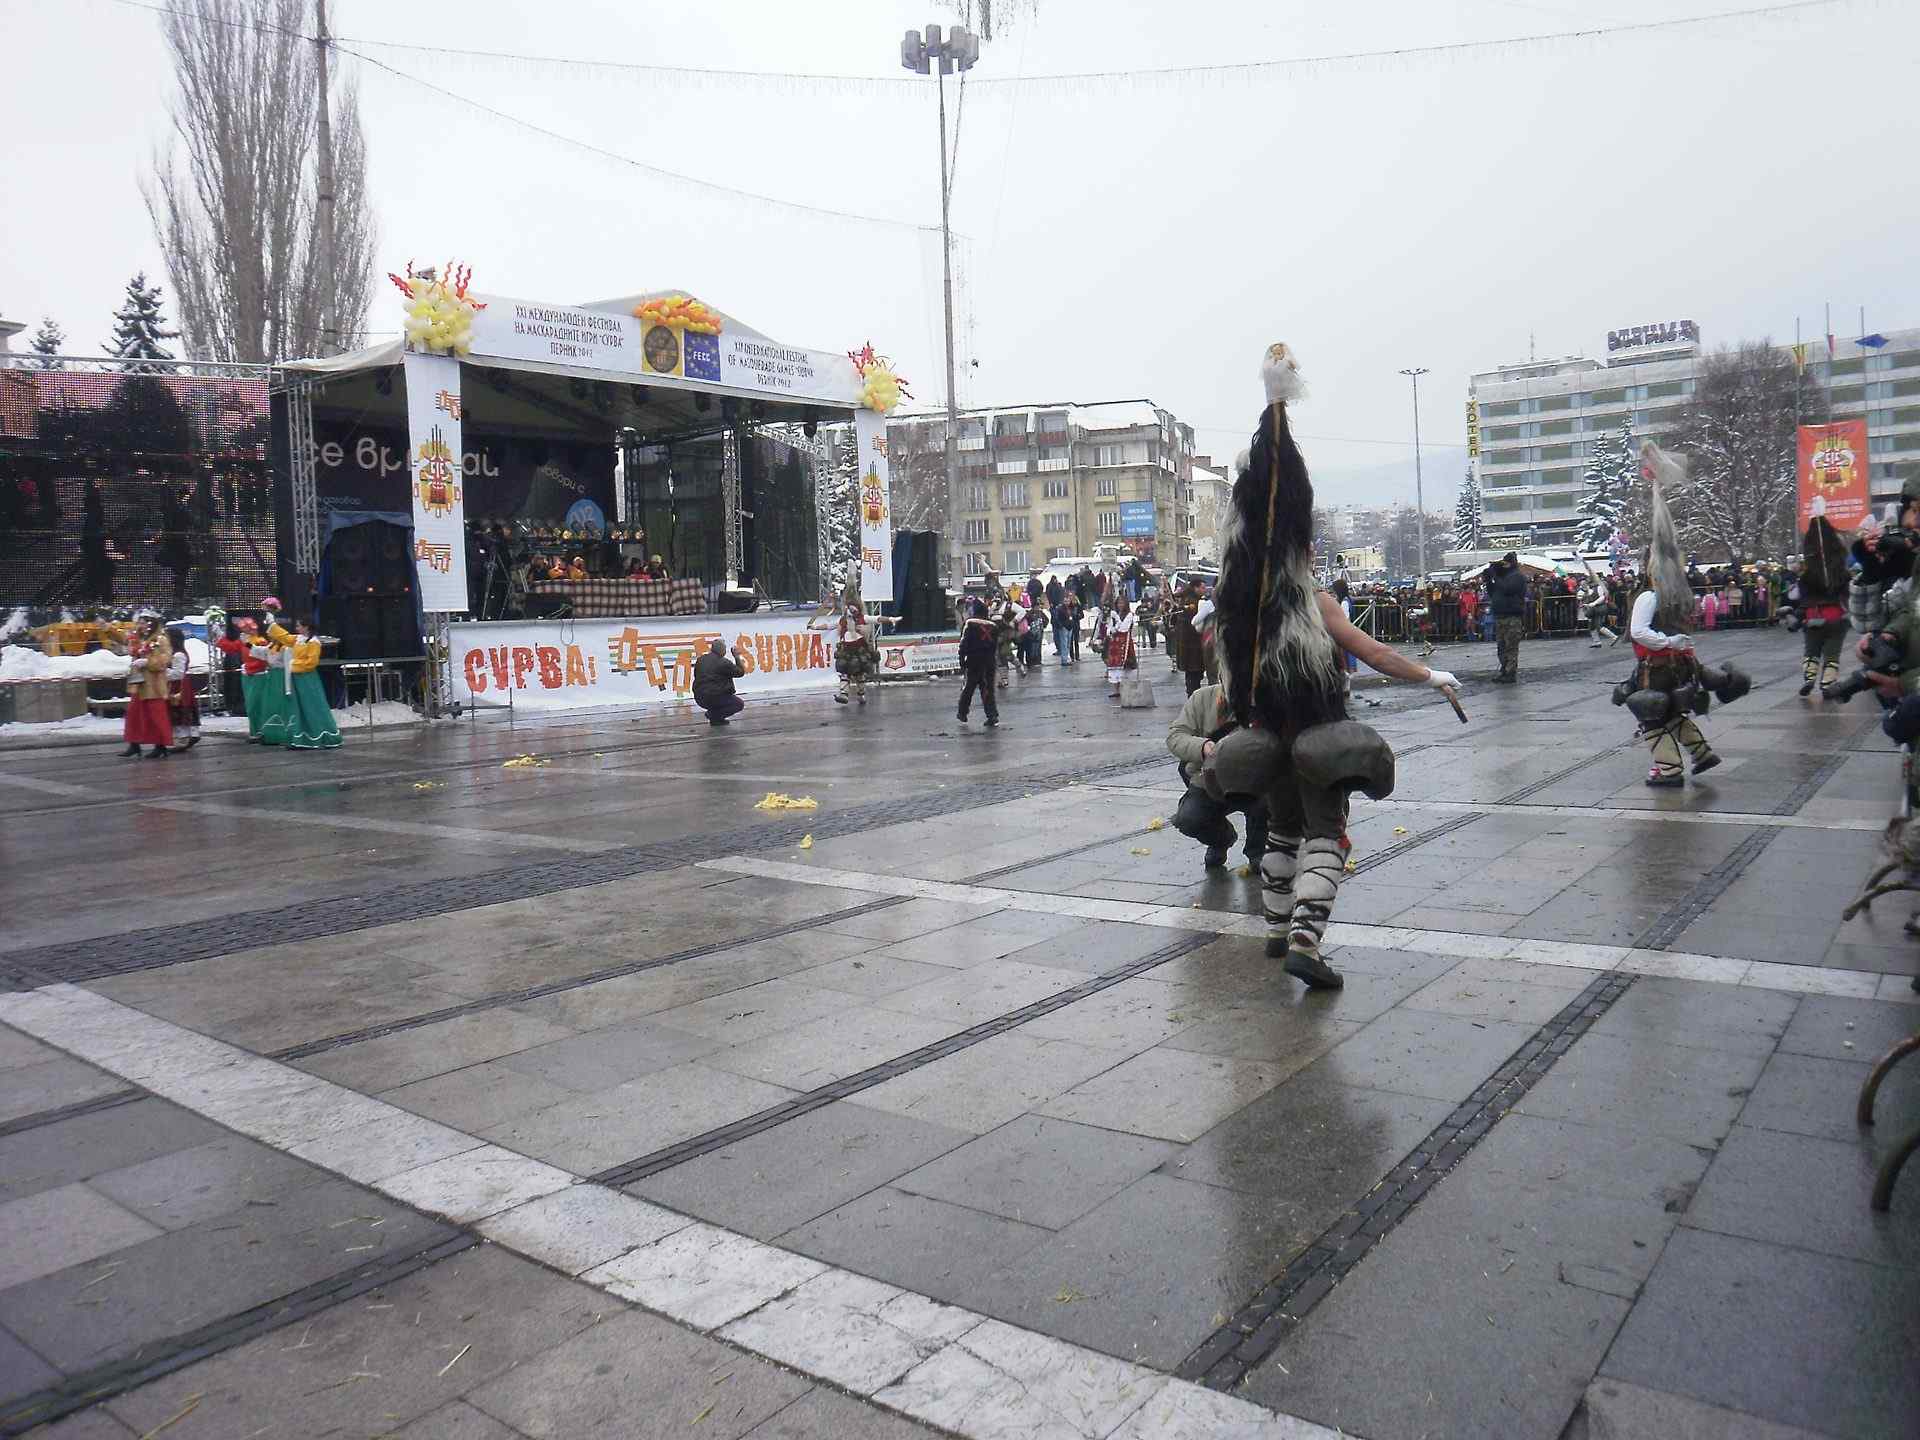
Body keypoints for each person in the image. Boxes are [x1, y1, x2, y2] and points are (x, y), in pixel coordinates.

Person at [1214, 344, 1460, 992]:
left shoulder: (1241, 612)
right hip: (1316, 734)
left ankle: (1275, 931)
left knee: (1281, 830)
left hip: (1264, 736)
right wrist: (1430, 676)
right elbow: (1373, 652)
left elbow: (1229, 684)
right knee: (1326, 834)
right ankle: (1305, 941)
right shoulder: (1313, 601)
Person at [1624, 444, 1733, 788]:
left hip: (1658, 666)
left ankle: (1669, 769)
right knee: (1673, 712)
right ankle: (1702, 753)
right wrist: (1677, 643)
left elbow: (1639, 632)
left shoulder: (1649, 595)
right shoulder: (1677, 594)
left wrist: (1668, 642)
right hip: (1679, 664)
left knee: (1653, 718)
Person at [1168, 682, 1268, 870]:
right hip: (1210, 778)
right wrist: (1202, 746)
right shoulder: (1202, 697)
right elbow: (1176, 735)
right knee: (1189, 819)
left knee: (1269, 802)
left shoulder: (1271, 697)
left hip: (1256, 779)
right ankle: (1222, 839)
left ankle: (1258, 851)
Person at [264, 615, 342, 750]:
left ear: (306, 627)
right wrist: (272, 624)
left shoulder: (313, 643)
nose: (296, 628)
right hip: (297, 679)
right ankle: (301, 738)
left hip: (308, 679)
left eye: (299, 626)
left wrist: (293, 664)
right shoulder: (298, 639)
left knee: (311, 706)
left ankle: (319, 736)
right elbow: (284, 637)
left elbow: (311, 663)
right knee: (298, 708)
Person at [1798, 516, 1851, 698]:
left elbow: (1802, 598)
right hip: (1836, 615)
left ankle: (1809, 677)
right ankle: (1827, 684)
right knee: (1832, 654)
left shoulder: (1807, 576)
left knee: (1811, 651)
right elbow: (1847, 593)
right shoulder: (1842, 572)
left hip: (1813, 615)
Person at [121, 611, 174, 759]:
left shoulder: (160, 639)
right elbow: (123, 640)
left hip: (154, 686)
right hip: (139, 684)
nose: (140, 626)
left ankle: (160, 745)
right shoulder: (138, 639)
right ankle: (134, 744)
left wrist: (148, 662)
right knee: (134, 715)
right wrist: (107, 629)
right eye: (139, 623)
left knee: (156, 716)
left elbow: (165, 659)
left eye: (144, 623)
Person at [956, 598, 1000, 727]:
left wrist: (962, 660)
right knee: (987, 689)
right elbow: (995, 646)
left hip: (974, 660)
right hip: (989, 661)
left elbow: (964, 642)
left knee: (968, 688)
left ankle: (962, 713)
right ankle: (992, 715)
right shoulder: (993, 626)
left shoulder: (970, 623)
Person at [833, 597, 883, 706]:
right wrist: (815, 627)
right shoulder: (842, 620)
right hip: (847, 651)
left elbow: (876, 619)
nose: (849, 610)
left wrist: (890, 619)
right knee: (845, 673)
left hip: (860, 651)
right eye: (848, 608)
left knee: (859, 674)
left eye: (852, 609)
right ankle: (844, 694)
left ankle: (861, 694)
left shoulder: (863, 619)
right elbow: (831, 626)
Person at [1487, 552, 1528, 683]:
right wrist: (1488, 580)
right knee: (1501, 646)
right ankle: (1504, 670)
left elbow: (1508, 589)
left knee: (1511, 646)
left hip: (1512, 616)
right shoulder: (1503, 577)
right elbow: (1493, 593)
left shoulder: (1517, 576)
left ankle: (1510, 672)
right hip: (1500, 615)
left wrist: (1495, 576)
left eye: (1505, 564)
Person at [1167, 577, 1208, 695]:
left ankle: (1192, 693)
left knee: (1192, 674)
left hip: (1187, 643)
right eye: (1202, 587)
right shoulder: (1192, 602)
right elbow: (1195, 623)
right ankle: (1193, 696)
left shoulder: (1186, 599)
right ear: (1195, 588)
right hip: (1192, 644)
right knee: (1193, 674)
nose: (1205, 590)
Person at [692, 638, 746, 725]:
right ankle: (713, 715)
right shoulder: (724, 662)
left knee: (717, 694)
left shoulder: (701, 660)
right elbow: (740, 672)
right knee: (738, 704)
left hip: (699, 697)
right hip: (714, 697)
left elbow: (696, 675)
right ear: (722, 650)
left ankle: (716, 720)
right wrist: (736, 656)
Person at [165, 626, 201, 750]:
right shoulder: (173, 653)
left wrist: (163, 671)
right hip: (178, 685)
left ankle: (183, 739)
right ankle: (190, 735)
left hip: (179, 686)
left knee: (179, 710)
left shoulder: (178, 655)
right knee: (180, 709)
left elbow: (178, 673)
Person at [1104, 595, 1137, 698]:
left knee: (1124, 666)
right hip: (1114, 644)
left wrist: (1117, 620)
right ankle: (1116, 690)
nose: (1120, 605)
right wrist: (1110, 629)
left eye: (1122, 603)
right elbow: (1109, 629)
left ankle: (1126, 689)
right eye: (1118, 603)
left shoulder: (1129, 615)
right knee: (1114, 667)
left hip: (1124, 642)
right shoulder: (1114, 614)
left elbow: (1123, 628)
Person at [1579, 571, 1616, 647]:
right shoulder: (1589, 588)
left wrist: (1594, 603)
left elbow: (1602, 597)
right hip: (1593, 609)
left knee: (1599, 625)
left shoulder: (1599, 587)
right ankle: (1597, 642)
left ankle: (1614, 637)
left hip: (1599, 608)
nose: (1588, 579)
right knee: (1592, 626)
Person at [1051, 593, 1075, 667]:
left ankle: (1067, 658)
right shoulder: (1060, 609)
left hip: (1070, 627)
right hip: (1064, 627)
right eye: (1065, 601)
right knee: (1064, 644)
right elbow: (1057, 618)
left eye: (1068, 601)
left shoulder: (1071, 608)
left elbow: (1073, 615)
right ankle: (1064, 660)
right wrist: (1061, 626)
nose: (1067, 603)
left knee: (1068, 644)